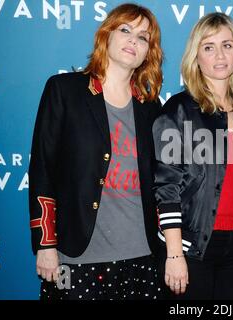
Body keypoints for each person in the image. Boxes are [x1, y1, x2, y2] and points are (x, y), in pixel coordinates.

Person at [29, 3, 163, 300]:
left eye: (143, 37)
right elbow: (43, 170)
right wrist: (46, 244)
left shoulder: (151, 107)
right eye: (126, 30)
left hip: (143, 258)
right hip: (76, 257)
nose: (133, 40)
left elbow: (162, 182)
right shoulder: (64, 90)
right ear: (107, 36)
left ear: (148, 52)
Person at [152, 12, 233, 300]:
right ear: (196, 56)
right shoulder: (177, 110)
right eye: (209, 47)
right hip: (191, 249)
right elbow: (167, 190)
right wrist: (174, 255)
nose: (219, 55)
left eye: (227, 45)